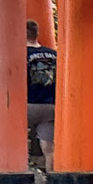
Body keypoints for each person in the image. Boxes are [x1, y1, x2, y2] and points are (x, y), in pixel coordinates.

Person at [25, 19, 57, 169]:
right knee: (49, 149)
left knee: (15, 141)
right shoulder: (53, 54)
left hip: (27, 105)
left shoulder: (21, 54)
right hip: (51, 106)